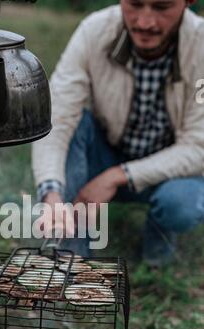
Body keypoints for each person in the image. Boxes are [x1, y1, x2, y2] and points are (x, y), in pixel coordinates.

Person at [31, 0, 204, 266]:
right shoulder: (93, 31)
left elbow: (197, 146)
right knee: (74, 122)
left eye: (161, 7)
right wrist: (52, 193)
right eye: (135, 4)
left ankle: (157, 247)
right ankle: (71, 256)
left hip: (171, 174)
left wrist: (117, 177)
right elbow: (58, 117)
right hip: (107, 155)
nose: (145, 22)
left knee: (180, 203)